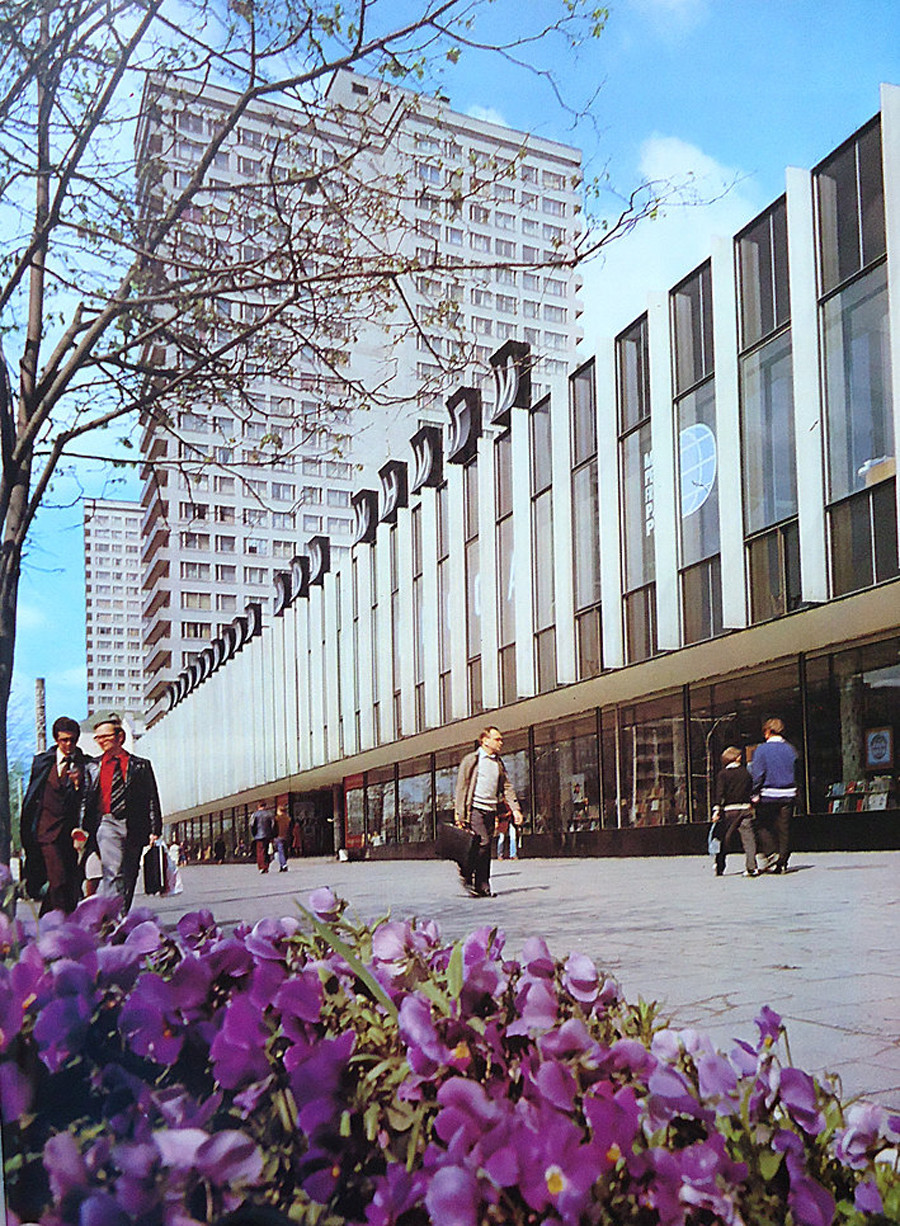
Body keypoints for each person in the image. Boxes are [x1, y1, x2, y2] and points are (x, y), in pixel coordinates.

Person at [81, 714, 163, 913]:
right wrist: (81, 828)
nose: (100, 741)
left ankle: (121, 915)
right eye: (97, 737)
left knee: (130, 873)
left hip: (135, 824)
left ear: (120, 737)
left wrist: (155, 829)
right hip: (107, 823)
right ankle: (110, 919)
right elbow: (85, 800)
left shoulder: (140, 765)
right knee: (113, 871)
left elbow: (151, 797)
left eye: (105, 736)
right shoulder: (92, 766)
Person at [20, 716, 90, 914]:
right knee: (57, 878)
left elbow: (87, 799)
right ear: (56, 740)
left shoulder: (84, 764)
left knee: (70, 881)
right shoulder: (42, 762)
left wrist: (78, 784)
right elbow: (33, 794)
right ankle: (60, 923)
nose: (69, 745)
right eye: (64, 740)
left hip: (70, 835)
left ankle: (48, 920)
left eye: (73, 740)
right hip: (46, 832)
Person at [454, 726, 525, 898]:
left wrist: (515, 809)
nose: (501, 742)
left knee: (485, 849)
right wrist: (460, 814)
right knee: (483, 843)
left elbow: (507, 787)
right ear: (485, 740)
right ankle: (468, 872)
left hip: (490, 810)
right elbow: (461, 787)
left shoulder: (498, 763)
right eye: (497, 739)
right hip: (475, 809)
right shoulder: (472, 760)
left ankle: (482, 886)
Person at [750, 717, 799, 874]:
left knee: (762, 825)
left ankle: (772, 852)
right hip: (788, 793)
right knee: (785, 829)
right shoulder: (791, 749)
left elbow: (758, 774)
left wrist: (755, 792)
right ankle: (783, 862)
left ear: (768, 731)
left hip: (768, 793)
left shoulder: (761, 750)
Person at [711, 747, 758, 877]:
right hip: (745, 809)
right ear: (737, 758)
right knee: (748, 838)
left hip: (730, 810)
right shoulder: (746, 773)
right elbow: (752, 790)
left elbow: (720, 794)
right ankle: (751, 867)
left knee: (725, 838)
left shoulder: (723, 774)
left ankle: (720, 865)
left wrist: (716, 811)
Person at [250, 801, 274, 873]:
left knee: (260, 852)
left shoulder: (255, 815)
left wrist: (254, 834)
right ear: (265, 806)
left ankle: (261, 866)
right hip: (267, 835)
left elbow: (252, 825)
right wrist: (271, 834)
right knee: (266, 851)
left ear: (258, 806)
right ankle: (266, 866)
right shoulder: (269, 814)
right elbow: (273, 825)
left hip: (258, 835)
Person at [273, 805, 291, 872]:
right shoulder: (288, 819)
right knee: (285, 851)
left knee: (280, 851)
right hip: (286, 837)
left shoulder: (277, 819)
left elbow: (274, 828)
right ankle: (283, 865)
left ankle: (283, 865)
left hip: (279, 837)